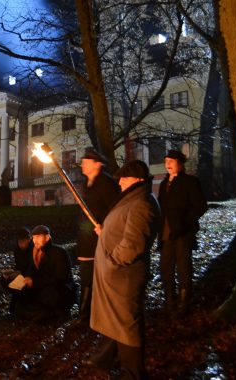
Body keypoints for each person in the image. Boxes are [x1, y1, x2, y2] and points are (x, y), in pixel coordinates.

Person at [85, 160, 160, 380]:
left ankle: (133, 373)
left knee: (127, 326)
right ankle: (107, 358)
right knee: (117, 321)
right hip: (116, 275)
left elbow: (133, 245)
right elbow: (122, 228)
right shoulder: (131, 200)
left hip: (123, 276)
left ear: (138, 179)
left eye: (124, 178)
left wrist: (111, 262)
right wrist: (105, 230)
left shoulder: (142, 204)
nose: (119, 182)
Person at [157, 149, 207, 315]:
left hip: (183, 233)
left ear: (180, 164)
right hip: (166, 234)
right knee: (165, 268)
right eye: (166, 161)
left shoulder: (190, 182)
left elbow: (200, 206)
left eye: (171, 161)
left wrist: (185, 223)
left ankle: (184, 304)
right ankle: (170, 301)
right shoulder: (164, 184)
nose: (168, 164)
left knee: (184, 268)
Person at [77, 150, 120, 323]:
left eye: (85, 161)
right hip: (85, 238)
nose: (82, 164)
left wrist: (105, 226)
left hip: (101, 238)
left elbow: (115, 210)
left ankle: (88, 314)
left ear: (97, 164)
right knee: (86, 275)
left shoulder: (106, 183)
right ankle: (86, 312)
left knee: (96, 276)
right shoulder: (86, 183)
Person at [10, 225, 76, 321]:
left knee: (47, 294)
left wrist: (35, 282)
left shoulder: (59, 252)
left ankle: (53, 312)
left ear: (47, 237)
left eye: (39, 237)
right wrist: (27, 277)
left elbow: (60, 278)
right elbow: (31, 269)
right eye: (34, 237)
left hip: (60, 289)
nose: (35, 240)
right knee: (18, 287)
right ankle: (33, 311)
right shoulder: (35, 251)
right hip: (42, 285)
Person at [1, 227, 33, 312]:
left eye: (23, 241)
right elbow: (19, 265)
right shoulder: (17, 251)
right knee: (4, 280)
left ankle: (21, 305)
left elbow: (33, 267)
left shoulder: (34, 250)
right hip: (21, 274)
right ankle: (18, 304)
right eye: (19, 241)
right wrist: (12, 272)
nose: (21, 244)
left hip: (30, 276)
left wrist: (21, 272)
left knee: (18, 285)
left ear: (29, 240)